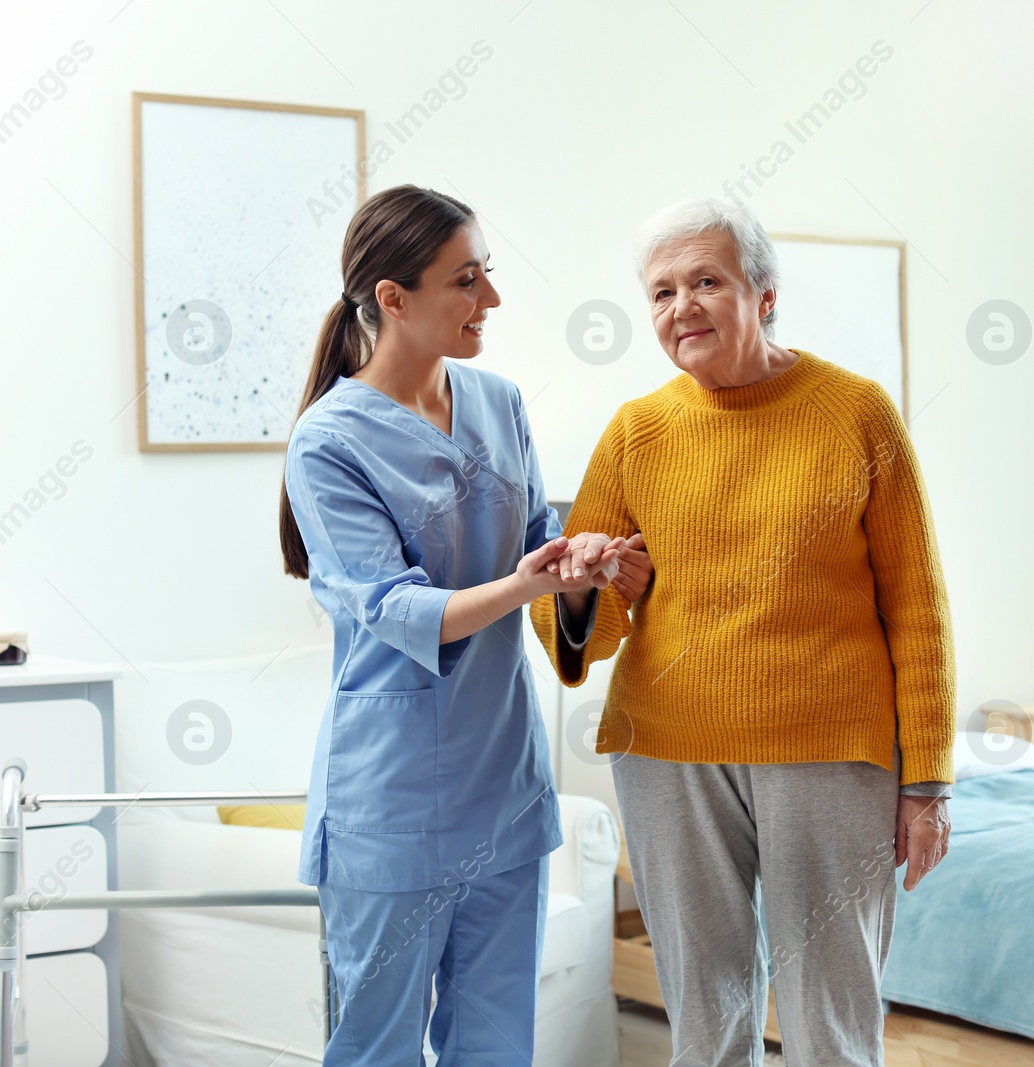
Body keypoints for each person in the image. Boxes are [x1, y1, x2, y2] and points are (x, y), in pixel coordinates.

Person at [531, 197, 956, 1067]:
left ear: (763, 294)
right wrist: (585, 588)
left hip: (831, 746)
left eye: (705, 281)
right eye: (661, 292)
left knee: (832, 1015)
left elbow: (919, 607)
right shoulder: (637, 431)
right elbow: (589, 617)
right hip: (666, 750)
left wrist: (929, 780)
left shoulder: (857, 413)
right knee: (706, 1015)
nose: (681, 306)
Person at [279, 184, 651, 1066]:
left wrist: (580, 570)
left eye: (488, 274)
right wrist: (525, 583)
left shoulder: (500, 402)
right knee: (376, 1049)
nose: (491, 300)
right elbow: (395, 610)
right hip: (392, 803)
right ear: (393, 298)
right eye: (467, 281)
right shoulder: (328, 444)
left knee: (494, 1045)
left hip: (506, 786)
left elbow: (533, 554)